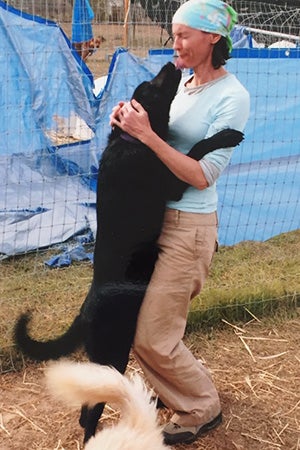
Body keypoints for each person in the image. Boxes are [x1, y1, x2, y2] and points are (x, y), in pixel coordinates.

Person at [110, 0, 250, 445]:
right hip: (153, 222)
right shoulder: (186, 86)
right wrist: (130, 126)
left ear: (213, 38)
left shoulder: (232, 97)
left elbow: (201, 173)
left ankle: (201, 406)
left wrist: (149, 136)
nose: (176, 44)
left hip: (189, 229)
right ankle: (177, 393)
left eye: (184, 35)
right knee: (138, 326)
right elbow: (155, 149)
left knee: (153, 335)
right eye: (174, 34)